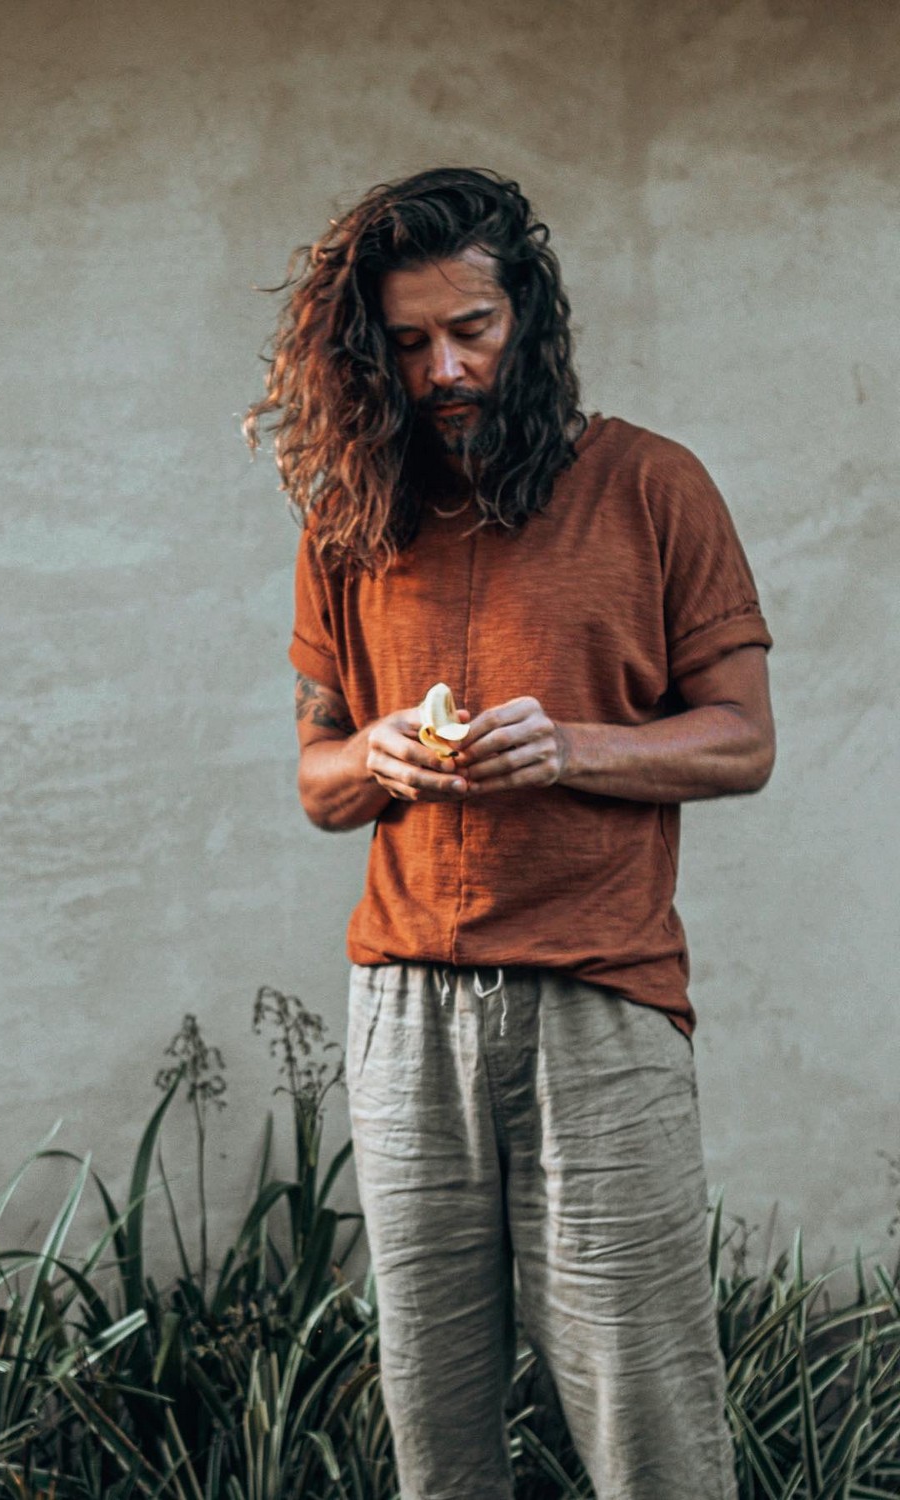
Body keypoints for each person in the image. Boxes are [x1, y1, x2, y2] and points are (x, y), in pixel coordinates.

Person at [245, 167, 774, 1500]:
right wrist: (369, 756)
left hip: (601, 999)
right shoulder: (350, 513)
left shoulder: (654, 487)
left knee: (644, 1413)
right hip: (404, 1010)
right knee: (435, 1421)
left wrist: (574, 746)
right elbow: (314, 781)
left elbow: (743, 740)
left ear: (529, 316)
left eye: (471, 330)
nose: (446, 369)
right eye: (411, 343)